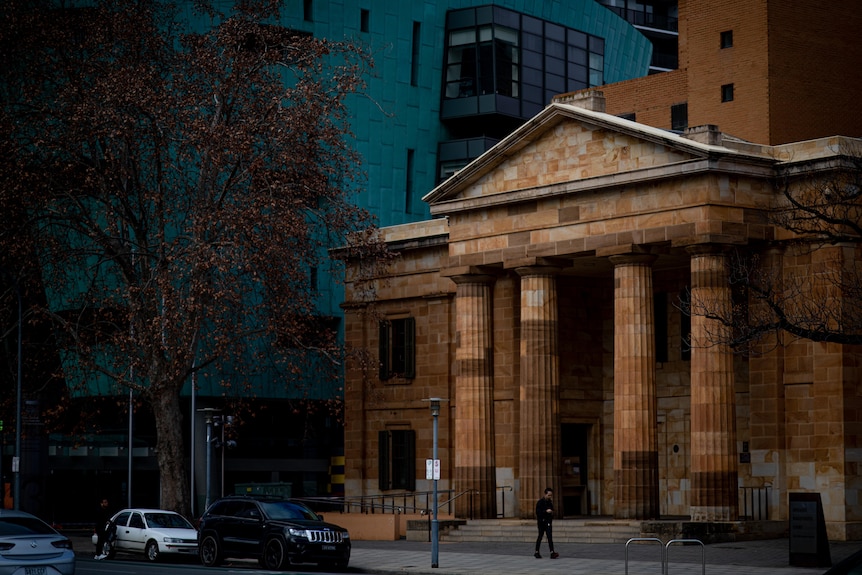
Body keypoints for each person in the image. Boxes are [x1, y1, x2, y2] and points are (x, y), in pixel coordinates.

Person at [534, 487, 559, 559]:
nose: (550, 497)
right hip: (541, 522)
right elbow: (538, 513)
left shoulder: (549, 502)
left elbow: (552, 509)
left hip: (548, 521)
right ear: (545, 494)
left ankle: (552, 552)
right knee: (540, 536)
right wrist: (545, 511)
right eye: (549, 495)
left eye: (551, 495)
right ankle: (536, 552)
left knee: (549, 537)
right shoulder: (540, 502)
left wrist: (551, 512)